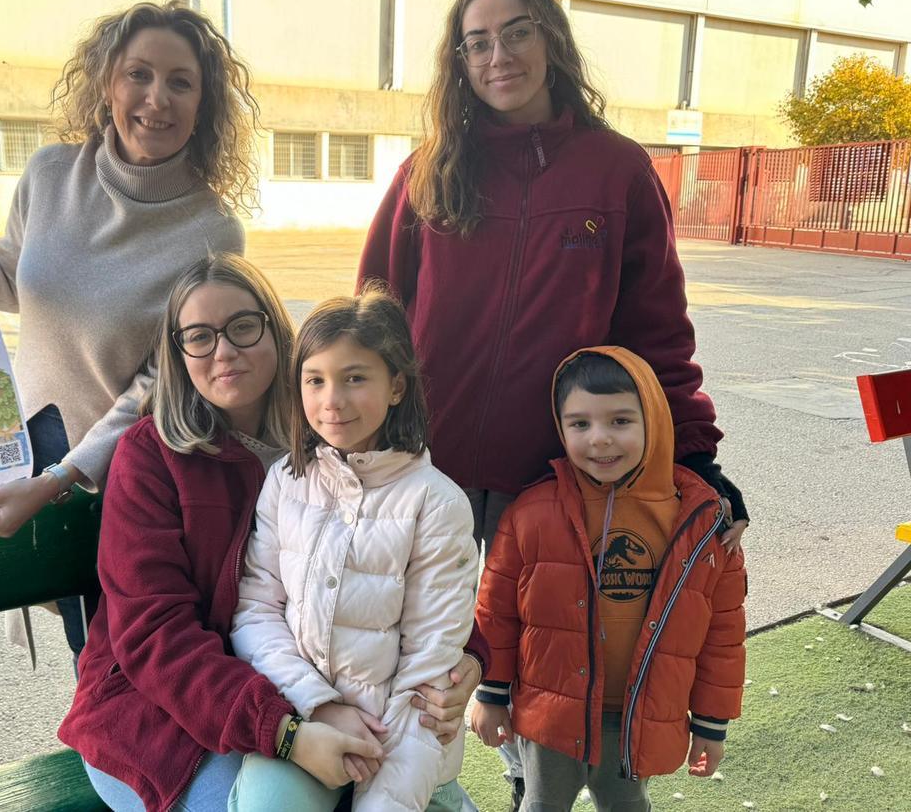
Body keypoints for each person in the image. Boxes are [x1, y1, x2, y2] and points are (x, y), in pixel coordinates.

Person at [355, 0, 748, 805]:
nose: (499, 55)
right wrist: (352, 435)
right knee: (415, 640)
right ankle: (402, 783)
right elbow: (373, 315)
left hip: (557, 472)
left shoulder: (615, 172)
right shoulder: (430, 171)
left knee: (538, 643)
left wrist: (700, 455)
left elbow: (655, 331)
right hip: (432, 464)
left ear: (552, 40)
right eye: (476, 42)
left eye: (518, 32)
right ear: (458, 61)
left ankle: (527, 772)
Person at [0, 0, 259, 654]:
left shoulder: (212, 231)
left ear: (204, 104)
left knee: (133, 669)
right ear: (106, 82)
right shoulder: (50, 174)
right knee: (87, 663)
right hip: (30, 460)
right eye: (138, 74)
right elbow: (11, 279)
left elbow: (165, 382)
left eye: (181, 82)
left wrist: (64, 478)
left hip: (130, 485)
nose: (157, 99)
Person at [57, 255, 485, 812]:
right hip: (162, 711)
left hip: (316, 693)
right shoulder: (152, 456)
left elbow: (402, 563)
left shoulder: (332, 437)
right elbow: (153, 636)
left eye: (242, 326)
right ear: (177, 352)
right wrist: (285, 731)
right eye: (199, 337)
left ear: (277, 331)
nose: (225, 351)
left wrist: (469, 658)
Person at [229, 290, 479, 811]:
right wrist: (315, 708)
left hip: (399, 742)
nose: (332, 401)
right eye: (315, 380)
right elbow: (256, 610)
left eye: (355, 378)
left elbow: (427, 678)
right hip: (303, 718)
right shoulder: (286, 480)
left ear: (397, 386)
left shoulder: (436, 503)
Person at [471, 347, 746, 811]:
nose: (599, 439)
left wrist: (711, 724)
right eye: (580, 424)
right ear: (560, 428)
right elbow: (496, 611)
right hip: (550, 713)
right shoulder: (531, 512)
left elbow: (723, 634)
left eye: (620, 421)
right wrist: (492, 694)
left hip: (636, 719)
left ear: (654, 420)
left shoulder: (700, 522)